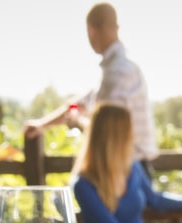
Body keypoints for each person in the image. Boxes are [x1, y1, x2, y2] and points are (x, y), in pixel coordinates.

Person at [24, 2, 157, 166]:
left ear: (91, 30)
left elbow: (106, 129)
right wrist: (42, 125)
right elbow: (78, 105)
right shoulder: (113, 72)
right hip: (125, 168)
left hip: (130, 171)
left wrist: (76, 122)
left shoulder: (119, 72)